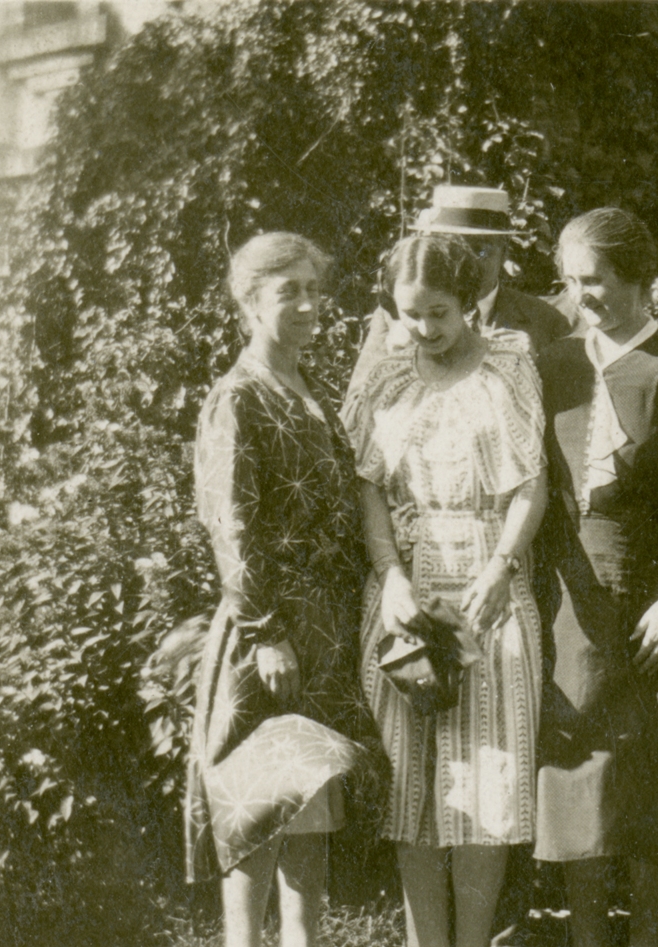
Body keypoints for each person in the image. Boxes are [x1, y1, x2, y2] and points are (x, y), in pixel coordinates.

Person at [534, 208, 658, 947]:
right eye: (573, 282)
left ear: (637, 278)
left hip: (656, 596)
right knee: (578, 766)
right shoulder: (553, 365)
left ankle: (647, 936)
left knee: (651, 771)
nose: (584, 297)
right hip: (570, 597)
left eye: (598, 281)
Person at [341, 234, 547, 947]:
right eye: (410, 314)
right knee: (412, 793)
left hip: (487, 595)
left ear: (467, 305)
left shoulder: (508, 368)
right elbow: (366, 486)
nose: (425, 329)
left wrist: (498, 568)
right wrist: (390, 573)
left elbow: (529, 484)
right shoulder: (385, 378)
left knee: (483, 784)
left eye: (440, 313)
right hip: (405, 590)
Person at [185, 232, 377, 947]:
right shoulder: (236, 398)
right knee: (259, 805)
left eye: (313, 289)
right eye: (286, 291)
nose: (306, 305)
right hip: (270, 633)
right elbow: (230, 525)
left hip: (324, 626)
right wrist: (265, 632)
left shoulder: (307, 391)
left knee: (311, 804)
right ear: (248, 302)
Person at [348, 185, 574, 393]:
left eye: (480, 250)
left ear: (504, 252)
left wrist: (537, 367)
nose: (465, 262)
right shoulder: (397, 317)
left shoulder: (545, 319)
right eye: (452, 248)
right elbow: (353, 417)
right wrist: (392, 362)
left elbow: (567, 416)